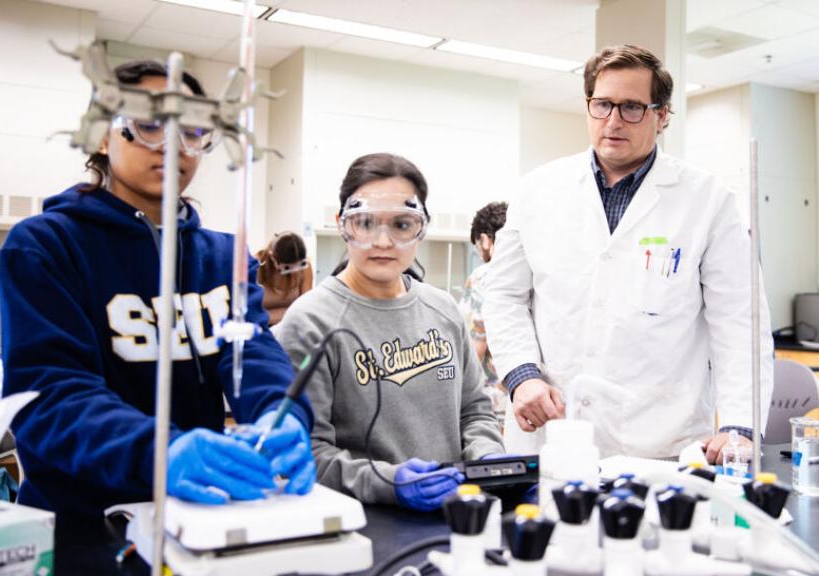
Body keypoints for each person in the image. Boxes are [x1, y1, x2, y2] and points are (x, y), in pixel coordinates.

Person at [0, 60, 316, 521]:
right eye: (148, 125)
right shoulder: (46, 246)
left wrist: (281, 413)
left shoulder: (225, 258)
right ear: (103, 137)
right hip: (81, 526)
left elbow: (251, 357)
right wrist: (158, 452)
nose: (173, 146)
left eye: (191, 131)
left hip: (198, 514)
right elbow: (51, 393)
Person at [483, 44, 773, 463]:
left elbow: (741, 323)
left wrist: (739, 427)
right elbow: (504, 296)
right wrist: (521, 375)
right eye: (602, 104)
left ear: (662, 115)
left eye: (632, 107)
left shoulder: (709, 200)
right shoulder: (537, 190)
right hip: (550, 433)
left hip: (658, 442)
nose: (614, 121)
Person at [278, 153, 504, 512]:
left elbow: (475, 411)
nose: (383, 241)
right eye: (365, 223)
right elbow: (306, 453)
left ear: (422, 227)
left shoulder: (443, 309)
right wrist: (386, 482)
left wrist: (492, 465)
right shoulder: (310, 322)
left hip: (456, 514)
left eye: (402, 225)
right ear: (342, 224)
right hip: (365, 525)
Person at [458, 201, 509, 422]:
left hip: (494, 399)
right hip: (533, 394)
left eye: (477, 245)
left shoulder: (484, 276)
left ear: (486, 240)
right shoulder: (534, 270)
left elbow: (475, 341)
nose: (479, 253)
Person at [256, 232, 313, 326]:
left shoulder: (305, 268)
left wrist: (268, 315)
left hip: (292, 327)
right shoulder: (255, 266)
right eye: (287, 268)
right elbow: (251, 315)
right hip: (262, 329)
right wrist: (291, 314)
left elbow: (305, 309)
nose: (295, 272)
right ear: (272, 257)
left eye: (298, 266)